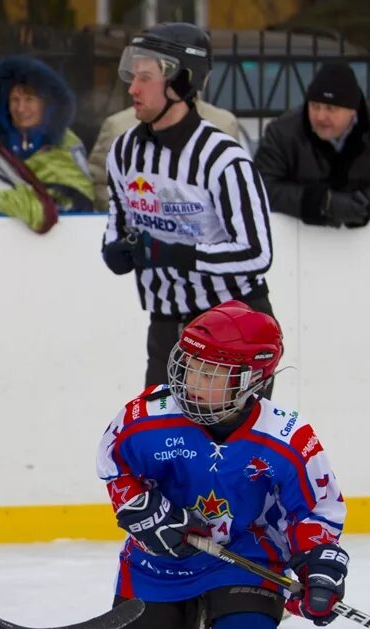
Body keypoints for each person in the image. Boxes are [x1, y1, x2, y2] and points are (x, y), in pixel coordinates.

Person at [83, 300, 348, 629]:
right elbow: (115, 464)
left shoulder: (288, 437)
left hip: (245, 555)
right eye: (191, 364)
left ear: (252, 381)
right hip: (161, 563)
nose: (192, 379)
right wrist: (142, 511)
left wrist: (319, 566)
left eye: (212, 372)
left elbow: (314, 508)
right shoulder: (146, 419)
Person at [100, 23, 274, 388]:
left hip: (232, 327)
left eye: (145, 78)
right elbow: (119, 222)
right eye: (133, 76)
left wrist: (176, 254)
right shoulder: (124, 151)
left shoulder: (222, 158)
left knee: (225, 444)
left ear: (181, 83)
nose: (132, 88)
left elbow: (257, 253)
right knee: (158, 440)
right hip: (166, 327)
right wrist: (116, 250)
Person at [254, 62, 370, 228]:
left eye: (331, 108)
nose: (320, 116)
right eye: (314, 106)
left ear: (353, 110)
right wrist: (321, 203)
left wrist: (365, 203)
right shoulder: (283, 132)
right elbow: (261, 186)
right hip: (299, 242)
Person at [0, 55, 93, 233]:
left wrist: (23, 204)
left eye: (29, 99)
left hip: (61, 245)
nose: (21, 108)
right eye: (14, 100)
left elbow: (80, 197)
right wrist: (36, 207)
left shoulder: (67, 144)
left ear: (46, 103)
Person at [89, 99, 245, 212]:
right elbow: (99, 183)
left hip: (204, 244)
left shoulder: (224, 124)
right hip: (137, 239)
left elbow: (234, 190)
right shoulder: (118, 126)